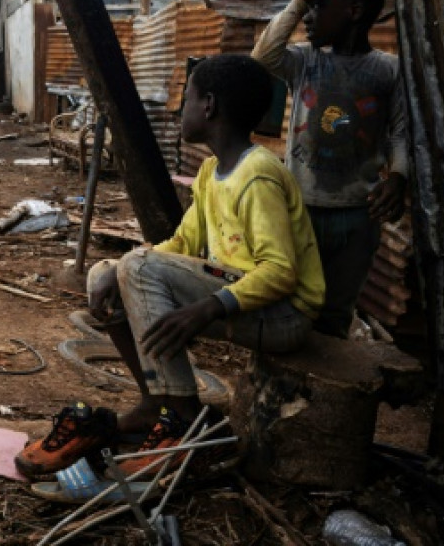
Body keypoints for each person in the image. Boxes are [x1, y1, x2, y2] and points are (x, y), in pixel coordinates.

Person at [16, 55, 324, 479]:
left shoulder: (258, 176)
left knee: (139, 266)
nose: (181, 110)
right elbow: (181, 245)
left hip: (285, 314)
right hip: (245, 300)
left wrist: (207, 307)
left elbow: (280, 272)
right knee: (111, 270)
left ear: (209, 105)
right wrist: (117, 269)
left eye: (188, 98)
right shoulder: (212, 171)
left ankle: (182, 421)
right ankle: (154, 404)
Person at [252, 0, 408, 338]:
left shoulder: (388, 70)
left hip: (358, 217)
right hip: (299, 209)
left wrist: (400, 176)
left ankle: (320, 395)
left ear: (353, 11)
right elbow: (263, 56)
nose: (309, 18)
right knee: (283, 301)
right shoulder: (306, 61)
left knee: (335, 314)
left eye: (320, 7)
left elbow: (402, 132)